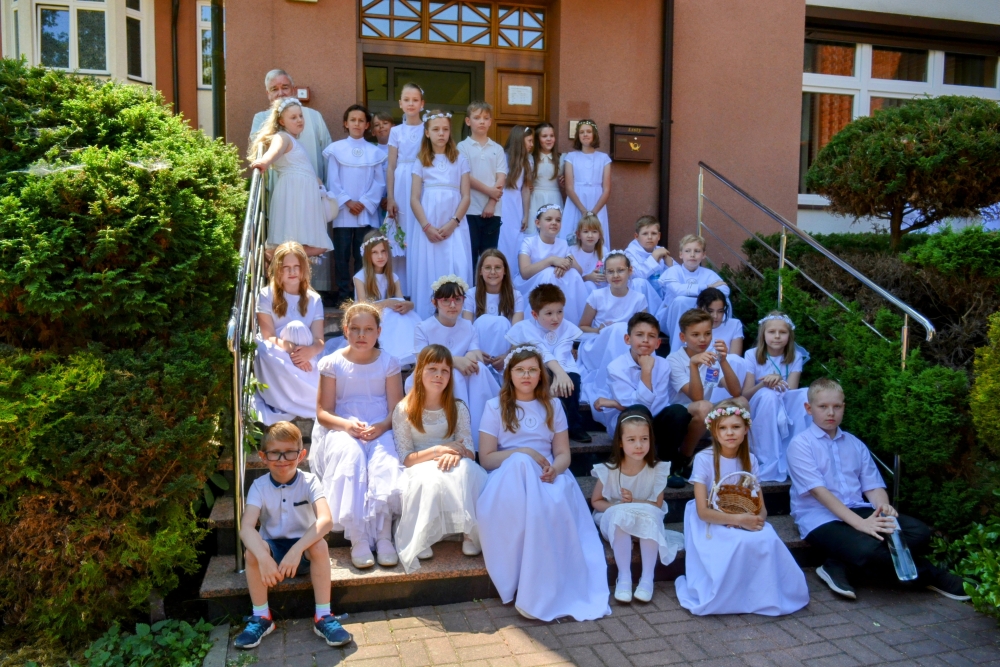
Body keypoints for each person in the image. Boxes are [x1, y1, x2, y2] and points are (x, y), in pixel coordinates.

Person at [787, 379, 970, 601]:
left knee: (919, 533)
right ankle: (934, 576)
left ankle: (838, 564)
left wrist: (883, 508)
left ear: (844, 407)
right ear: (809, 408)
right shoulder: (801, 445)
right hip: (820, 518)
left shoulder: (854, 444)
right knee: (868, 550)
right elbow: (819, 492)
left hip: (858, 509)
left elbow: (873, 486)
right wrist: (861, 524)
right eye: (823, 406)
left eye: (837, 406)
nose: (831, 413)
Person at [476, 346, 611, 622]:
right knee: (521, 463)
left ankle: (542, 587)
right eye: (520, 370)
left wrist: (554, 469)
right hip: (508, 476)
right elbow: (487, 459)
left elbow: (563, 454)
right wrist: (524, 452)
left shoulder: (553, 406)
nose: (526, 375)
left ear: (541, 374)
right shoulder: (494, 407)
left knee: (548, 489)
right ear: (509, 374)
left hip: (548, 475)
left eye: (532, 370)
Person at [674, 400, 810, 615]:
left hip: (742, 512)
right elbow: (703, 512)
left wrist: (754, 520)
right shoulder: (704, 459)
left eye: (736, 427)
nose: (729, 433)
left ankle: (762, 594)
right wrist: (737, 521)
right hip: (711, 516)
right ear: (714, 431)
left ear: (746, 429)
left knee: (768, 537)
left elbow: (761, 508)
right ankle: (733, 596)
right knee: (737, 542)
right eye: (723, 428)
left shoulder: (750, 460)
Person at [234, 422, 352, 650]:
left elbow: (326, 520)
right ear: (263, 456)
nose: (282, 459)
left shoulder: (310, 481)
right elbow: (246, 528)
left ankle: (323, 616)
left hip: (303, 550)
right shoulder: (258, 486)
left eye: (289, 452)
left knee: (320, 546)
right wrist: (264, 558)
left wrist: (296, 550)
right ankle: (262, 616)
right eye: (274, 453)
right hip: (273, 554)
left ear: (301, 455)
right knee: (252, 552)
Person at [309, 303, 404, 570]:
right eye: (355, 329)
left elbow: (397, 410)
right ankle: (358, 537)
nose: (362, 335)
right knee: (350, 456)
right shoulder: (332, 363)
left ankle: (384, 536)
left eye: (368, 329)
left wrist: (381, 427)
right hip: (342, 426)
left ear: (378, 332)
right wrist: (347, 426)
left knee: (384, 458)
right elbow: (323, 412)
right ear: (345, 330)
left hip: (381, 425)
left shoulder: (389, 363)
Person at [393, 345, 488, 573]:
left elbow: (470, 450)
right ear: (419, 372)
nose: (439, 375)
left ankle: (470, 533)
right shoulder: (404, 409)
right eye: (432, 369)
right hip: (420, 463)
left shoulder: (457, 407)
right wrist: (439, 450)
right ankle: (422, 535)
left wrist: (454, 453)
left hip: (454, 459)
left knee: (467, 470)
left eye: (445, 371)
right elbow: (407, 457)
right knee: (429, 479)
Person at [586, 313, 702, 488]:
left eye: (651, 336)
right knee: (638, 411)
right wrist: (646, 371)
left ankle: (667, 467)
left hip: (653, 420)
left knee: (678, 411)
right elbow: (637, 407)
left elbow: (657, 405)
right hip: (628, 423)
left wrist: (615, 403)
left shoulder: (663, 365)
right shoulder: (616, 367)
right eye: (639, 335)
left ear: (658, 343)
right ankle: (634, 467)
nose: (645, 340)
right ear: (628, 339)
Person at [591, 409, 683, 604]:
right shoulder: (609, 471)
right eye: (631, 440)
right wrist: (619, 506)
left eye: (644, 439)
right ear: (620, 442)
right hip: (616, 522)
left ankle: (647, 578)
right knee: (621, 515)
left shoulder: (657, 470)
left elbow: (657, 505)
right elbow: (596, 501)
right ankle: (624, 576)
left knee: (648, 514)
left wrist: (634, 503)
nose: (639, 445)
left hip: (646, 519)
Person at [412, 276, 500, 449]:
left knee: (479, 370)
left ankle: (479, 435)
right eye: (446, 300)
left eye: (457, 300)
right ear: (435, 302)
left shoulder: (468, 326)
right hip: (433, 374)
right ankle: (457, 433)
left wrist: (469, 357)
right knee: (454, 375)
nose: (452, 305)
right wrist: (454, 361)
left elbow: (476, 353)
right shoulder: (423, 327)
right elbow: (422, 358)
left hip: (465, 377)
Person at [506, 284, 590, 443]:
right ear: (534, 314)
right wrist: (559, 373)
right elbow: (542, 351)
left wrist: (561, 374)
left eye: (560, 312)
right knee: (543, 378)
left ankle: (573, 424)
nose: (556, 318)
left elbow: (562, 351)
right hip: (537, 366)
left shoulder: (566, 327)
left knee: (572, 381)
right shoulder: (526, 328)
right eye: (549, 313)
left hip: (563, 364)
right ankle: (545, 426)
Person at [409, 111, 474, 319]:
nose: (441, 133)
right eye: (436, 129)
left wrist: (453, 223)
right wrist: (427, 227)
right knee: (429, 268)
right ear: (427, 133)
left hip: (454, 225)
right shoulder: (421, 160)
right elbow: (414, 198)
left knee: (457, 264)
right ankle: (428, 317)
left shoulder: (460, 159)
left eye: (445, 129)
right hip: (429, 225)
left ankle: (458, 317)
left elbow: (466, 196)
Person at [249, 97, 333, 257]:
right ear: (282, 121)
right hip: (294, 193)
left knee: (312, 245)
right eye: (293, 117)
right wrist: (265, 162)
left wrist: (315, 180)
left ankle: (273, 256)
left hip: (302, 194)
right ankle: (270, 255)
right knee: (309, 244)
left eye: (300, 116)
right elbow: (276, 150)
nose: (299, 120)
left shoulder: (294, 141)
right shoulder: (282, 137)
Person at [254, 242, 327, 424]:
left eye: (296, 266)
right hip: (278, 350)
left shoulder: (314, 299)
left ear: (304, 269)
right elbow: (268, 336)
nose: (292, 272)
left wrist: (309, 351)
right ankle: (290, 398)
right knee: (263, 350)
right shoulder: (266, 295)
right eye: (286, 267)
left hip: (306, 352)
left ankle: (309, 398)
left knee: (297, 328)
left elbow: (319, 340)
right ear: (277, 269)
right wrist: (290, 348)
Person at [324, 104, 387, 300]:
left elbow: (379, 182)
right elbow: (332, 180)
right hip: (344, 212)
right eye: (353, 120)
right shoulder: (336, 149)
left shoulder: (374, 152)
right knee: (341, 256)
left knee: (363, 255)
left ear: (367, 125)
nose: (357, 124)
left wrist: (365, 202)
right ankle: (344, 296)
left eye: (361, 121)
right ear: (346, 123)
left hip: (366, 212)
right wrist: (347, 201)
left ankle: (362, 296)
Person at [742, 312, 809, 482]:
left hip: (784, 401)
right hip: (760, 403)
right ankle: (768, 458)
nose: (777, 336)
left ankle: (798, 456)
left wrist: (778, 381)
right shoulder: (751, 354)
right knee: (769, 395)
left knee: (806, 394)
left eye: (783, 332)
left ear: (789, 335)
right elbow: (746, 394)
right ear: (763, 334)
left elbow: (792, 391)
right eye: (771, 332)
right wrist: (764, 384)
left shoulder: (795, 356)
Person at [250, 69, 332, 181]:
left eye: (285, 87)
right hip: (281, 185)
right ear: (268, 94)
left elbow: (327, 154)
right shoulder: (261, 118)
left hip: (314, 185)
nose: (280, 93)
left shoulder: (314, 116)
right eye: (274, 89)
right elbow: (259, 151)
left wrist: (327, 186)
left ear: (293, 90)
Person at [577, 250, 647, 377]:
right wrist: (598, 330)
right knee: (618, 329)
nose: (615, 275)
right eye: (610, 271)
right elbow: (582, 326)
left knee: (621, 329)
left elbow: (643, 329)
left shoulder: (639, 299)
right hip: (600, 344)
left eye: (620, 270)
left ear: (630, 271)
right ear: (605, 273)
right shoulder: (597, 296)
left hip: (627, 344)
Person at [516, 204, 589, 326]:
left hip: (557, 284)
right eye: (549, 219)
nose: (554, 223)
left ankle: (571, 321)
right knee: (549, 273)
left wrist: (566, 264)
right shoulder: (529, 242)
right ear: (538, 223)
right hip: (531, 285)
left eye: (558, 220)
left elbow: (579, 272)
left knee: (572, 273)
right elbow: (524, 273)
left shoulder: (563, 244)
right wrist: (551, 261)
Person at [354, 231, 420, 366]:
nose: (380, 256)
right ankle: (390, 354)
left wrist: (409, 305)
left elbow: (401, 300)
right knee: (389, 316)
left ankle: (406, 352)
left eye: (383, 251)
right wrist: (387, 302)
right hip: (369, 317)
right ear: (367, 255)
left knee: (402, 316)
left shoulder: (393, 277)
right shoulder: (360, 277)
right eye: (375, 252)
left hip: (388, 318)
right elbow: (363, 308)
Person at [386, 83, 426, 297]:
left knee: (418, 229)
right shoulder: (395, 131)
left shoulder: (427, 128)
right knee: (401, 233)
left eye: (415, 100)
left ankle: (419, 286)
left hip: (422, 179)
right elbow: (391, 165)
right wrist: (391, 197)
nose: (411, 104)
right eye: (407, 100)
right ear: (400, 103)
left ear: (422, 104)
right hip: (402, 181)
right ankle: (401, 289)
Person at [458, 102, 508, 262]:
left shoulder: (497, 149)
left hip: (493, 211)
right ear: (468, 121)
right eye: (477, 118)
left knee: (489, 256)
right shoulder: (462, 147)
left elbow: (501, 177)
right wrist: (490, 191)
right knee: (470, 256)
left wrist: (492, 203)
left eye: (486, 118)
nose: (482, 121)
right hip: (469, 209)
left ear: (490, 122)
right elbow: (466, 176)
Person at [655, 234, 728, 343]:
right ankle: (677, 347)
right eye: (688, 251)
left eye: (697, 251)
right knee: (681, 301)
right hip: (670, 319)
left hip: (698, 318)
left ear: (704, 255)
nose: (692, 255)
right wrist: (707, 287)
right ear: (681, 254)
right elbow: (678, 290)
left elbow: (724, 290)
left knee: (725, 302)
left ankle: (715, 343)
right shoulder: (674, 271)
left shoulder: (708, 273)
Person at [463, 249, 524, 375]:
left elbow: (517, 333)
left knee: (502, 322)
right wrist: (476, 352)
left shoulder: (516, 296)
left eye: (497, 267)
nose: (492, 272)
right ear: (480, 271)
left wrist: (507, 356)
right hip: (478, 352)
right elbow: (466, 329)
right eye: (487, 268)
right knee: (482, 321)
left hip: (506, 353)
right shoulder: (471, 294)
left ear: (505, 271)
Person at [562, 120, 612, 245]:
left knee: (595, 234)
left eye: (588, 131)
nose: (585, 134)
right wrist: (583, 210)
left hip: (597, 201)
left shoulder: (604, 158)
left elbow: (606, 189)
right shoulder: (571, 157)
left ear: (594, 134)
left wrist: (594, 212)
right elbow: (569, 188)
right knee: (573, 231)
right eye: (581, 132)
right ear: (578, 135)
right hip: (576, 201)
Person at [496, 126, 534, 281]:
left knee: (515, 241)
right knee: (502, 240)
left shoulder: (527, 162)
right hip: (501, 203)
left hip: (516, 206)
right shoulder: (502, 157)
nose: (532, 144)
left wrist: (525, 215)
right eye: (529, 141)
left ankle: (512, 280)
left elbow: (525, 189)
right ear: (520, 140)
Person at [669, 286, 744, 356]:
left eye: (720, 311)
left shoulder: (734, 325)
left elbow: (735, 358)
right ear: (699, 308)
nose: (715, 316)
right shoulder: (692, 325)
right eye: (710, 311)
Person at [625, 215, 672, 314]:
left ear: (659, 236)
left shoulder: (661, 251)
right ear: (636, 236)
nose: (650, 237)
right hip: (642, 298)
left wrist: (670, 265)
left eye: (654, 233)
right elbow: (636, 274)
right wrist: (654, 258)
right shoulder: (629, 253)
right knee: (639, 282)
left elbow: (675, 278)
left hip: (660, 297)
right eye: (645, 234)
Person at [528, 122, 564, 222]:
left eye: (551, 136)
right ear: (537, 139)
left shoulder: (562, 158)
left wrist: (564, 181)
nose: (549, 139)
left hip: (555, 197)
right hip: (535, 198)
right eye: (544, 136)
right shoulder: (530, 158)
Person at [571, 214, 609, 295]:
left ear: (599, 235)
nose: (590, 236)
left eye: (594, 231)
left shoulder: (604, 251)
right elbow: (571, 280)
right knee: (589, 285)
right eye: (586, 232)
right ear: (578, 235)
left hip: (599, 289)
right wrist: (588, 277)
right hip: (578, 291)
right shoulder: (572, 252)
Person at [372, 111, 394, 225]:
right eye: (377, 125)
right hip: (375, 202)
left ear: (394, 128)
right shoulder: (370, 151)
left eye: (385, 123)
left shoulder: (401, 151)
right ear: (373, 131)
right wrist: (379, 198)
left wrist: (391, 197)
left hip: (396, 199)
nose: (381, 127)